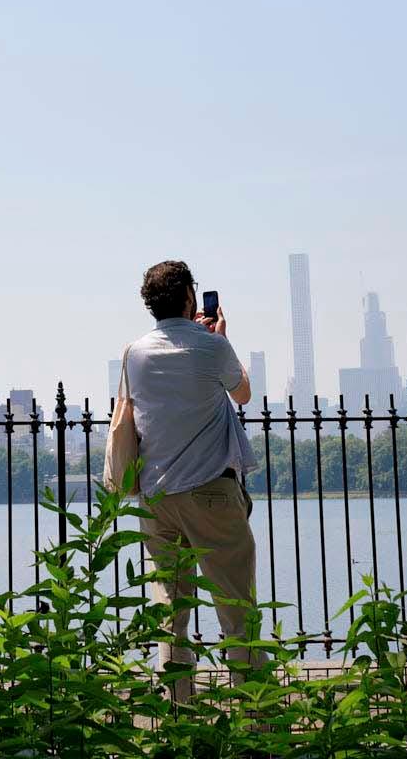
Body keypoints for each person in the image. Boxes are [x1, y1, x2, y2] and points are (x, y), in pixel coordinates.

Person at [116, 259, 260, 704]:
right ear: (189, 297)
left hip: (157, 498)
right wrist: (219, 338)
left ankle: (179, 714)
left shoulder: (134, 354)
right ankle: (255, 722)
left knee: (171, 610)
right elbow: (242, 393)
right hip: (212, 491)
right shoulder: (210, 347)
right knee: (237, 609)